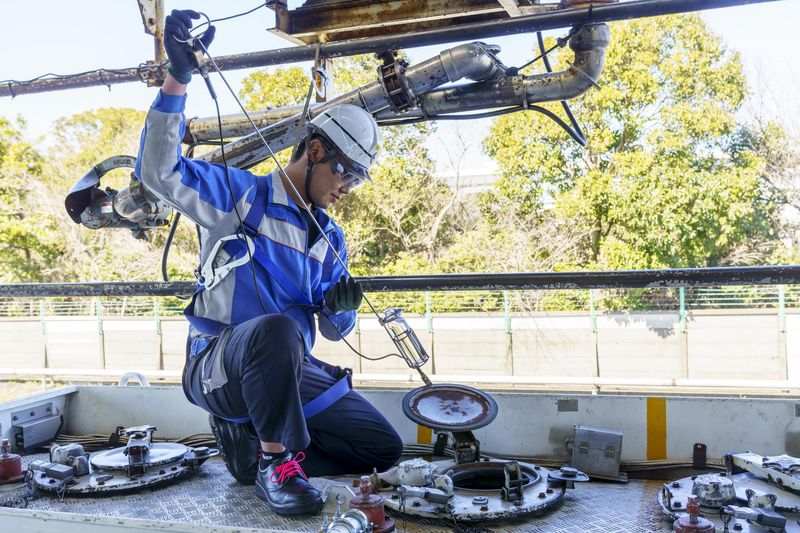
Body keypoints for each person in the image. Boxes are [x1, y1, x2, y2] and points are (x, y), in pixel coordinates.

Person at [135, 9, 403, 516]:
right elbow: (158, 171)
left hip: (286, 371)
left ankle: (260, 452)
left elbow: (332, 330)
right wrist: (179, 76)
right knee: (275, 330)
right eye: (347, 174)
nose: (348, 189)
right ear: (316, 149)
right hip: (218, 365)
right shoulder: (241, 196)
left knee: (380, 448)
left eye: (360, 180)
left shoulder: (330, 238)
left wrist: (339, 309)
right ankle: (275, 464)